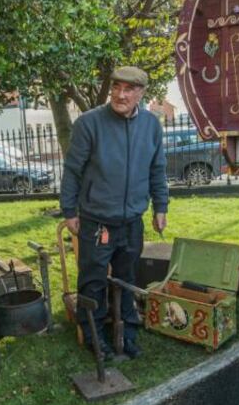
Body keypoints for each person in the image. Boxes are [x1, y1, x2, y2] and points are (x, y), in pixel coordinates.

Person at [60, 66, 169, 360]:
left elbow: (157, 169)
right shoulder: (89, 123)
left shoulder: (151, 125)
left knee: (128, 278)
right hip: (97, 221)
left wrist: (161, 206)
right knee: (93, 281)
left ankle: (127, 334)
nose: (121, 95)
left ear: (141, 93)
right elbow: (72, 170)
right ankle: (95, 338)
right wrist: (69, 210)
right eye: (116, 87)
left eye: (129, 89)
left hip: (132, 221)